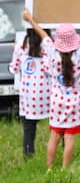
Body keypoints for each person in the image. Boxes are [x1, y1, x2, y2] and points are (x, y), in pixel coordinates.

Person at [23, 7, 80, 171]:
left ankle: (49, 169)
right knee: (69, 138)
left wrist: (30, 19)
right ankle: (64, 169)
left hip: (56, 103)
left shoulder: (51, 51)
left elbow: (42, 34)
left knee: (54, 137)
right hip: (75, 104)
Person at [10, 26, 51, 158]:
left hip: (28, 97)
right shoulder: (48, 48)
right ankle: (61, 148)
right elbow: (50, 69)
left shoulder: (20, 48)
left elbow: (14, 69)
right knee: (58, 127)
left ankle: (28, 154)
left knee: (28, 128)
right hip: (47, 95)